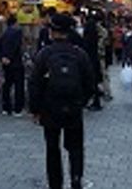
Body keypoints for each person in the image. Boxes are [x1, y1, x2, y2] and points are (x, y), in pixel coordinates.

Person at [29, 13, 94, 189]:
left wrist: (35, 109)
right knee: (75, 148)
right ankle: (75, 178)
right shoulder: (79, 54)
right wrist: (81, 101)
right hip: (73, 108)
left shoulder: (44, 54)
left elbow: (34, 83)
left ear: (52, 32)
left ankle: (55, 183)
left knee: (52, 149)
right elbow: (90, 82)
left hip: (50, 108)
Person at [0, 14, 25, 116]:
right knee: (18, 86)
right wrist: (9, 57)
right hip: (16, 62)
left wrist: (2, 57)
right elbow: (17, 47)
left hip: (6, 63)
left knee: (7, 85)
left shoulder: (3, 35)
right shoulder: (18, 32)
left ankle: (6, 107)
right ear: (16, 22)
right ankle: (18, 108)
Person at [82, 15, 103, 111]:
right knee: (94, 82)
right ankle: (95, 101)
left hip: (89, 60)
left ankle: (94, 102)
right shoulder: (95, 36)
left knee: (92, 82)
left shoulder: (87, 39)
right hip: (95, 59)